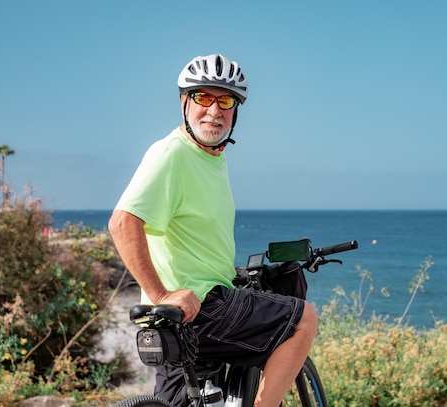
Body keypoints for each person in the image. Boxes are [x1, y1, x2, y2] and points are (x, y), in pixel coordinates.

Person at [108, 54, 318, 407]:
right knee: (303, 319)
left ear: (236, 110)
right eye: (203, 98)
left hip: (177, 323)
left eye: (225, 101)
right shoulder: (172, 153)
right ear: (184, 103)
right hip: (202, 307)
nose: (214, 110)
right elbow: (123, 222)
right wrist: (161, 295)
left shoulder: (211, 158)